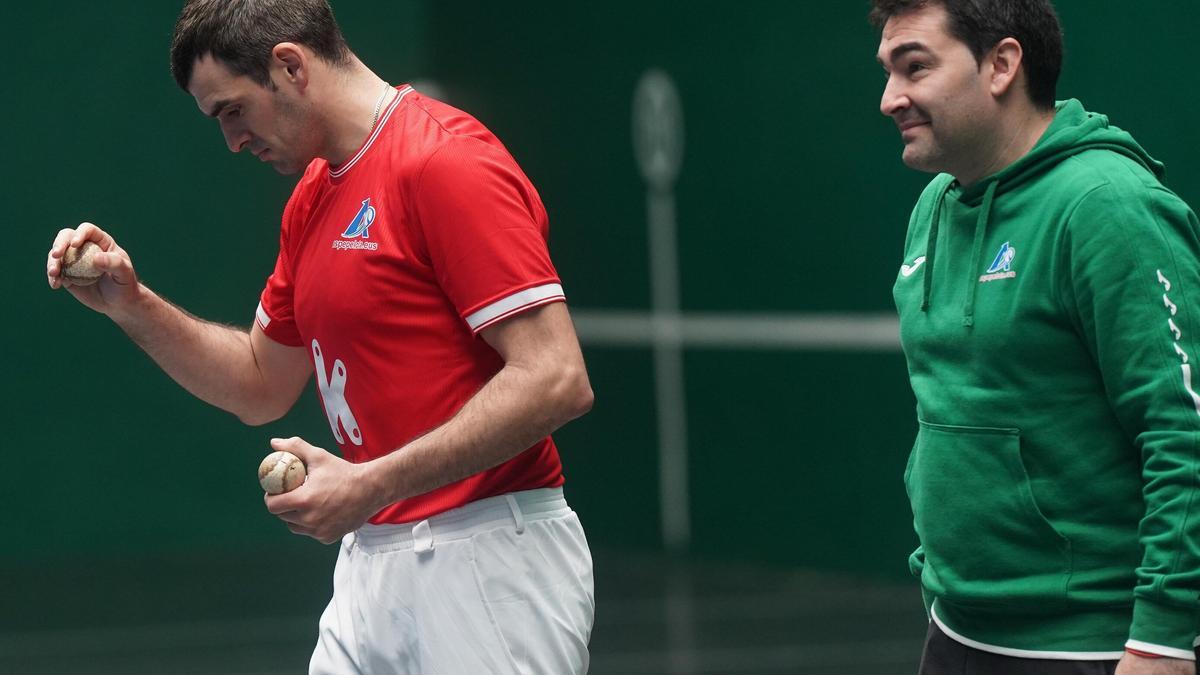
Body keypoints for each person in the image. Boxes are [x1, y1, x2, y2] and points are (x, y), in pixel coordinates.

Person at [45, 0, 596, 672]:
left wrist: (368, 483)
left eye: (232, 110)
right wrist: (129, 304)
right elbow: (258, 384)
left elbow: (556, 378)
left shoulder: (443, 163)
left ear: (289, 66)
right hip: (370, 563)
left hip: (487, 561)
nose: (232, 140)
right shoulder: (313, 196)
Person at [873, 0, 1200, 673]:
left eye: (914, 68)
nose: (889, 99)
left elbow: (1184, 433)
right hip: (957, 632)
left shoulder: (1107, 205)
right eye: (886, 72)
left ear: (1001, 65)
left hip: (1096, 646)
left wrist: (1163, 640)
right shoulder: (934, 205)